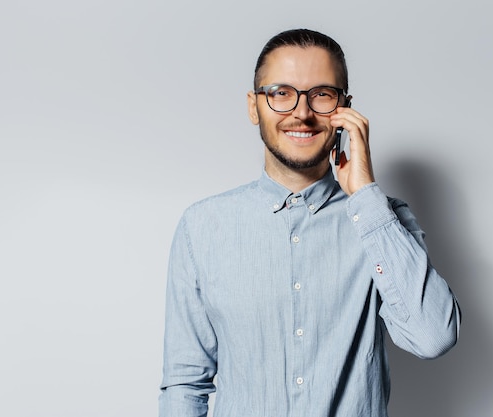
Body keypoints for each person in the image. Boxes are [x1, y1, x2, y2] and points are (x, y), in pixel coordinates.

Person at [159, 28, 461, 417]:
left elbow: (433, 337)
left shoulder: (384, 220)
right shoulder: (201, 227)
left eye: (321, 95)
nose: (301, 113)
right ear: (254, 106)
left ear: (345, 109)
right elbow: (184, 384)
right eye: (281, 93)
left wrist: (364, 193)